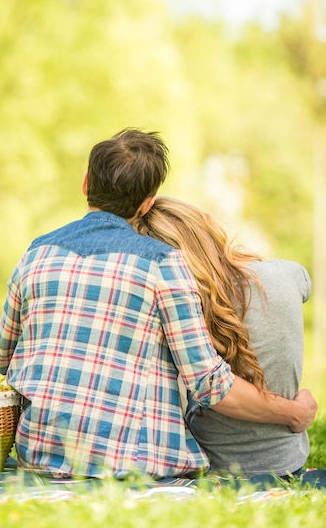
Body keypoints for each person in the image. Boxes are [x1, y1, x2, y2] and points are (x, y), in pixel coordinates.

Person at [0, 128, 317, 479]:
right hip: (130, 469)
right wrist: (292, 414)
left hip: (39, 456)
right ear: (147, 203)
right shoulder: (163, 263)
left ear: (85, 183)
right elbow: (209, 384)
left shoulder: (36, 253)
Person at [134, 196, 312, 478]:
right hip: (287, 460)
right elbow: (305, 285)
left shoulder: (175, 300)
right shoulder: (286, 272)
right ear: (207, 229)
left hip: (210, 464)